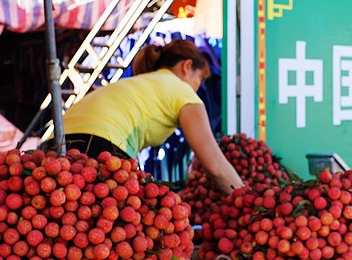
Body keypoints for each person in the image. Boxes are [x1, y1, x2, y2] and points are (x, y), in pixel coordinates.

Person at [54, 39, 244, 195]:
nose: (198, 86)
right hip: (101, 146)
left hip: (55, 144)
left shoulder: (138, 83)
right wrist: (247, 198)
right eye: (200, 79)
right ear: (187, 67)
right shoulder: (183, 92)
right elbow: (215, 165)